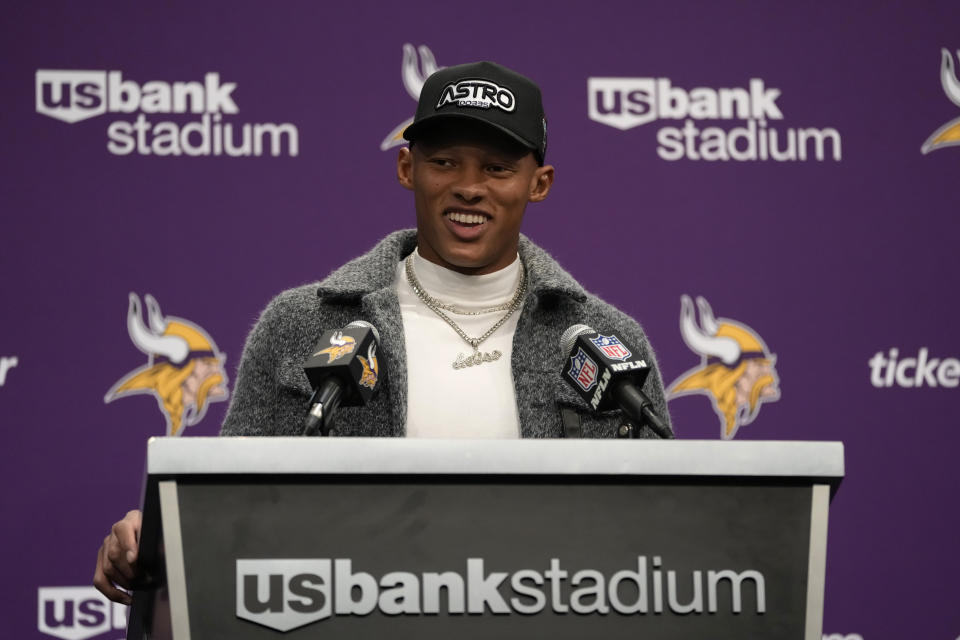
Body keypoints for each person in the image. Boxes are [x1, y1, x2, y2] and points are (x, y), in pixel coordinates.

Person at [93, 61, 673, 604]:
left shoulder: (605, 338)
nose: (469, 187)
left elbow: (669, 530)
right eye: (444, 161)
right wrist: (156, 536)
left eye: (497, 169)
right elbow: (227, 510)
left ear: (538, 183)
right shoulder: (302, 324)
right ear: (406, 168)